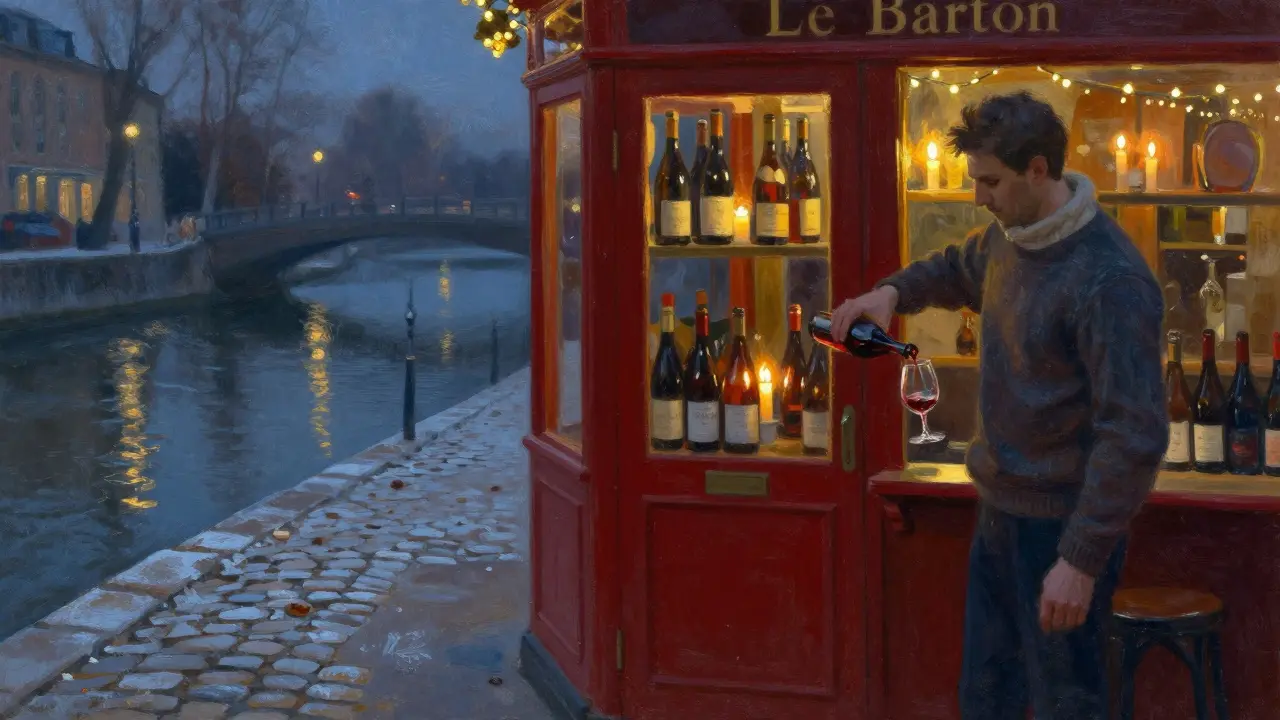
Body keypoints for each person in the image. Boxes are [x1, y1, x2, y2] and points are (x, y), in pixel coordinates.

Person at [831, 91, 1168, 719]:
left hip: (1063, 532)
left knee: (1066, 708)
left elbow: (1134, 435)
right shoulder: (1010, 237)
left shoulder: (1111, 280)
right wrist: (891, 294)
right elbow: (955, 268)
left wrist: (1079, 560)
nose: (978, 197)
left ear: (1038, 171)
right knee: (986, 702)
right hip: (998, 518)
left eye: (989, 182)